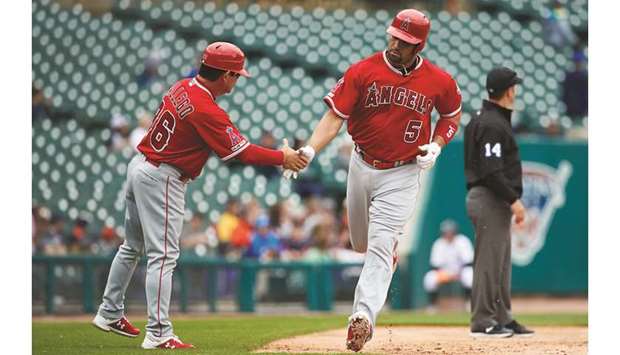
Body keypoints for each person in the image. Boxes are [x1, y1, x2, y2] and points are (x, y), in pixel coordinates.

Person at [92, 41, 309, 350]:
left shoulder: (182, 86)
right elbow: (241, 152)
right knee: (163, 256)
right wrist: (282, 157)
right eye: (236, 75)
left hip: (141, 165)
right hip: (162, 177)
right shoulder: (206, 108)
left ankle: (109, 310)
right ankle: (158, 332)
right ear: (225, 76)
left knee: (132, 246)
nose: (237, 80)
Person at [287, 9, 462, 352]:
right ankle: (384, 257)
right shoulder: (363, 71)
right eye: (394, 36)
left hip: (403, 171)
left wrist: (438, 145)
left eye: (405, 41)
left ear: (420, 45)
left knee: (381, 245)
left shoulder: (438, 80)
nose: (396, 43)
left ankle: (362, 319)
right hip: (361, 164)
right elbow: (333, 118)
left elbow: (451, 114)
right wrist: (309, 149)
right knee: (361, 244)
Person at [464, 66, 534, 338]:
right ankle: (483, 321)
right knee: (489, 263)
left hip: (491, 198)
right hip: (489, 197)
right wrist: (514, 201)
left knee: (500, 264)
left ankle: (503, 317)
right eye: (514, 86)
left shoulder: (484, 118)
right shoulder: (493, 123)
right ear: (509, 90)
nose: (515, 90)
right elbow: (491, 171)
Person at [423, 219, 473, 313]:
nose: (448, 234)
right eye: (446, 232)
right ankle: (432, 306)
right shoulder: (439, 243)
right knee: (430, 278)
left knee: (469, 275)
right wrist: (444, 274)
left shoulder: (462, 241)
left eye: (450, 231)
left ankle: (469, 303)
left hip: (461, 271)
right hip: (445, 272)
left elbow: (469, 262)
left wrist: (457, 274)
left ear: (454, 231)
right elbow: (435, 265)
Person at [561, 50, 588, 121]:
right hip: (571, 109)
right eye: (576, 62)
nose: (578, 64)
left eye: (580, 62)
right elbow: (565, 93)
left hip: (584, 109)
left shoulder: (586, 77)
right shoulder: (569, 76)